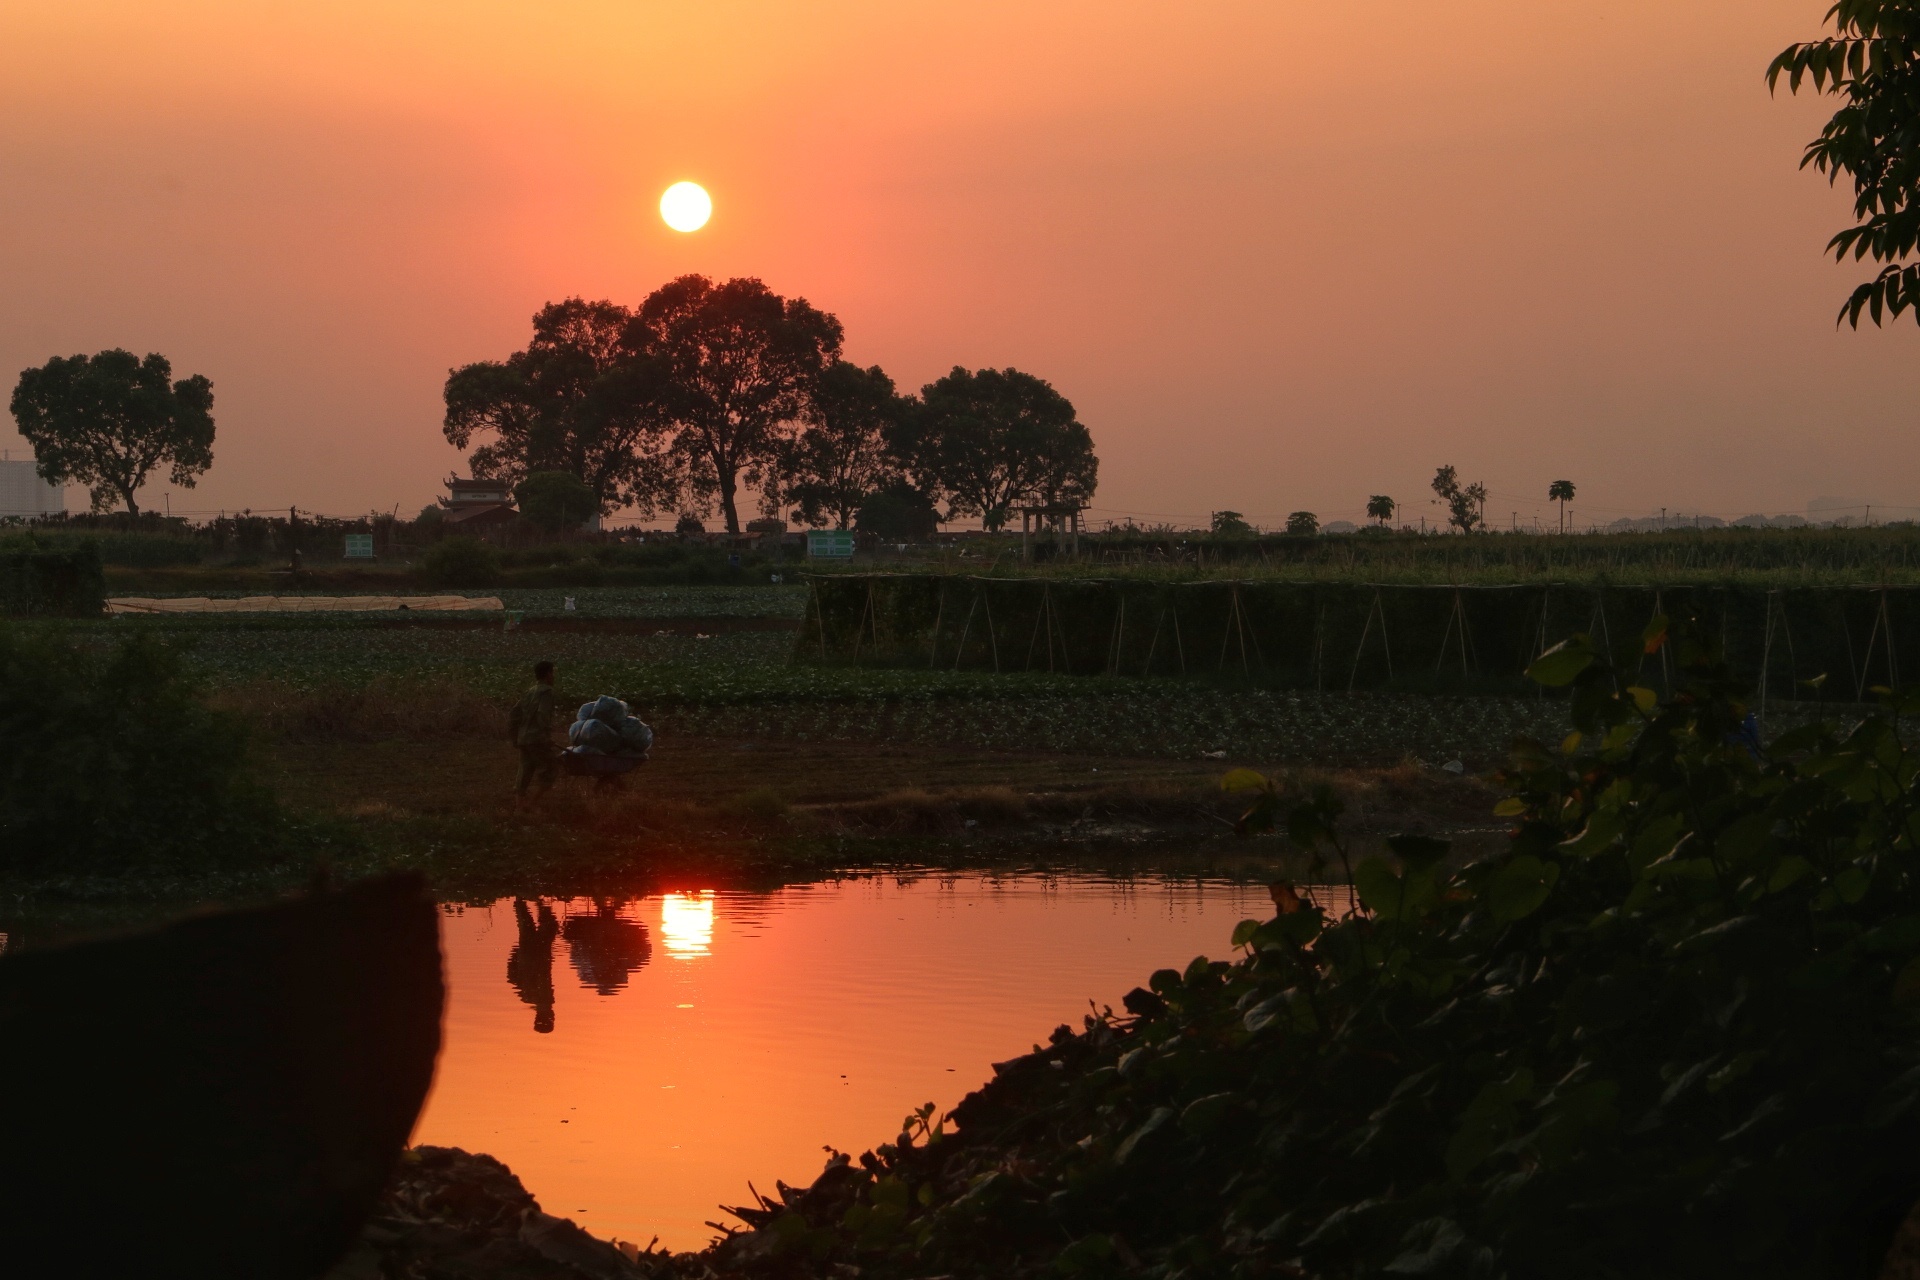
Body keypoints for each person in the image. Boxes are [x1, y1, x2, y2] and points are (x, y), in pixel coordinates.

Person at [508, 660, 558, 803]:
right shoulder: (547, 692)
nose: (553, 677)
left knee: (525, 770)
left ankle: (519, 806)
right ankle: (533, 803)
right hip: (537, 739)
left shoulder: (529, 692)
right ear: (548, 674)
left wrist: (514, 737)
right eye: (552, 673)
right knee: (550, 768)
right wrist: (546, 736)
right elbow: (543, 715)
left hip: (523, 739)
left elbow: (514, 714)